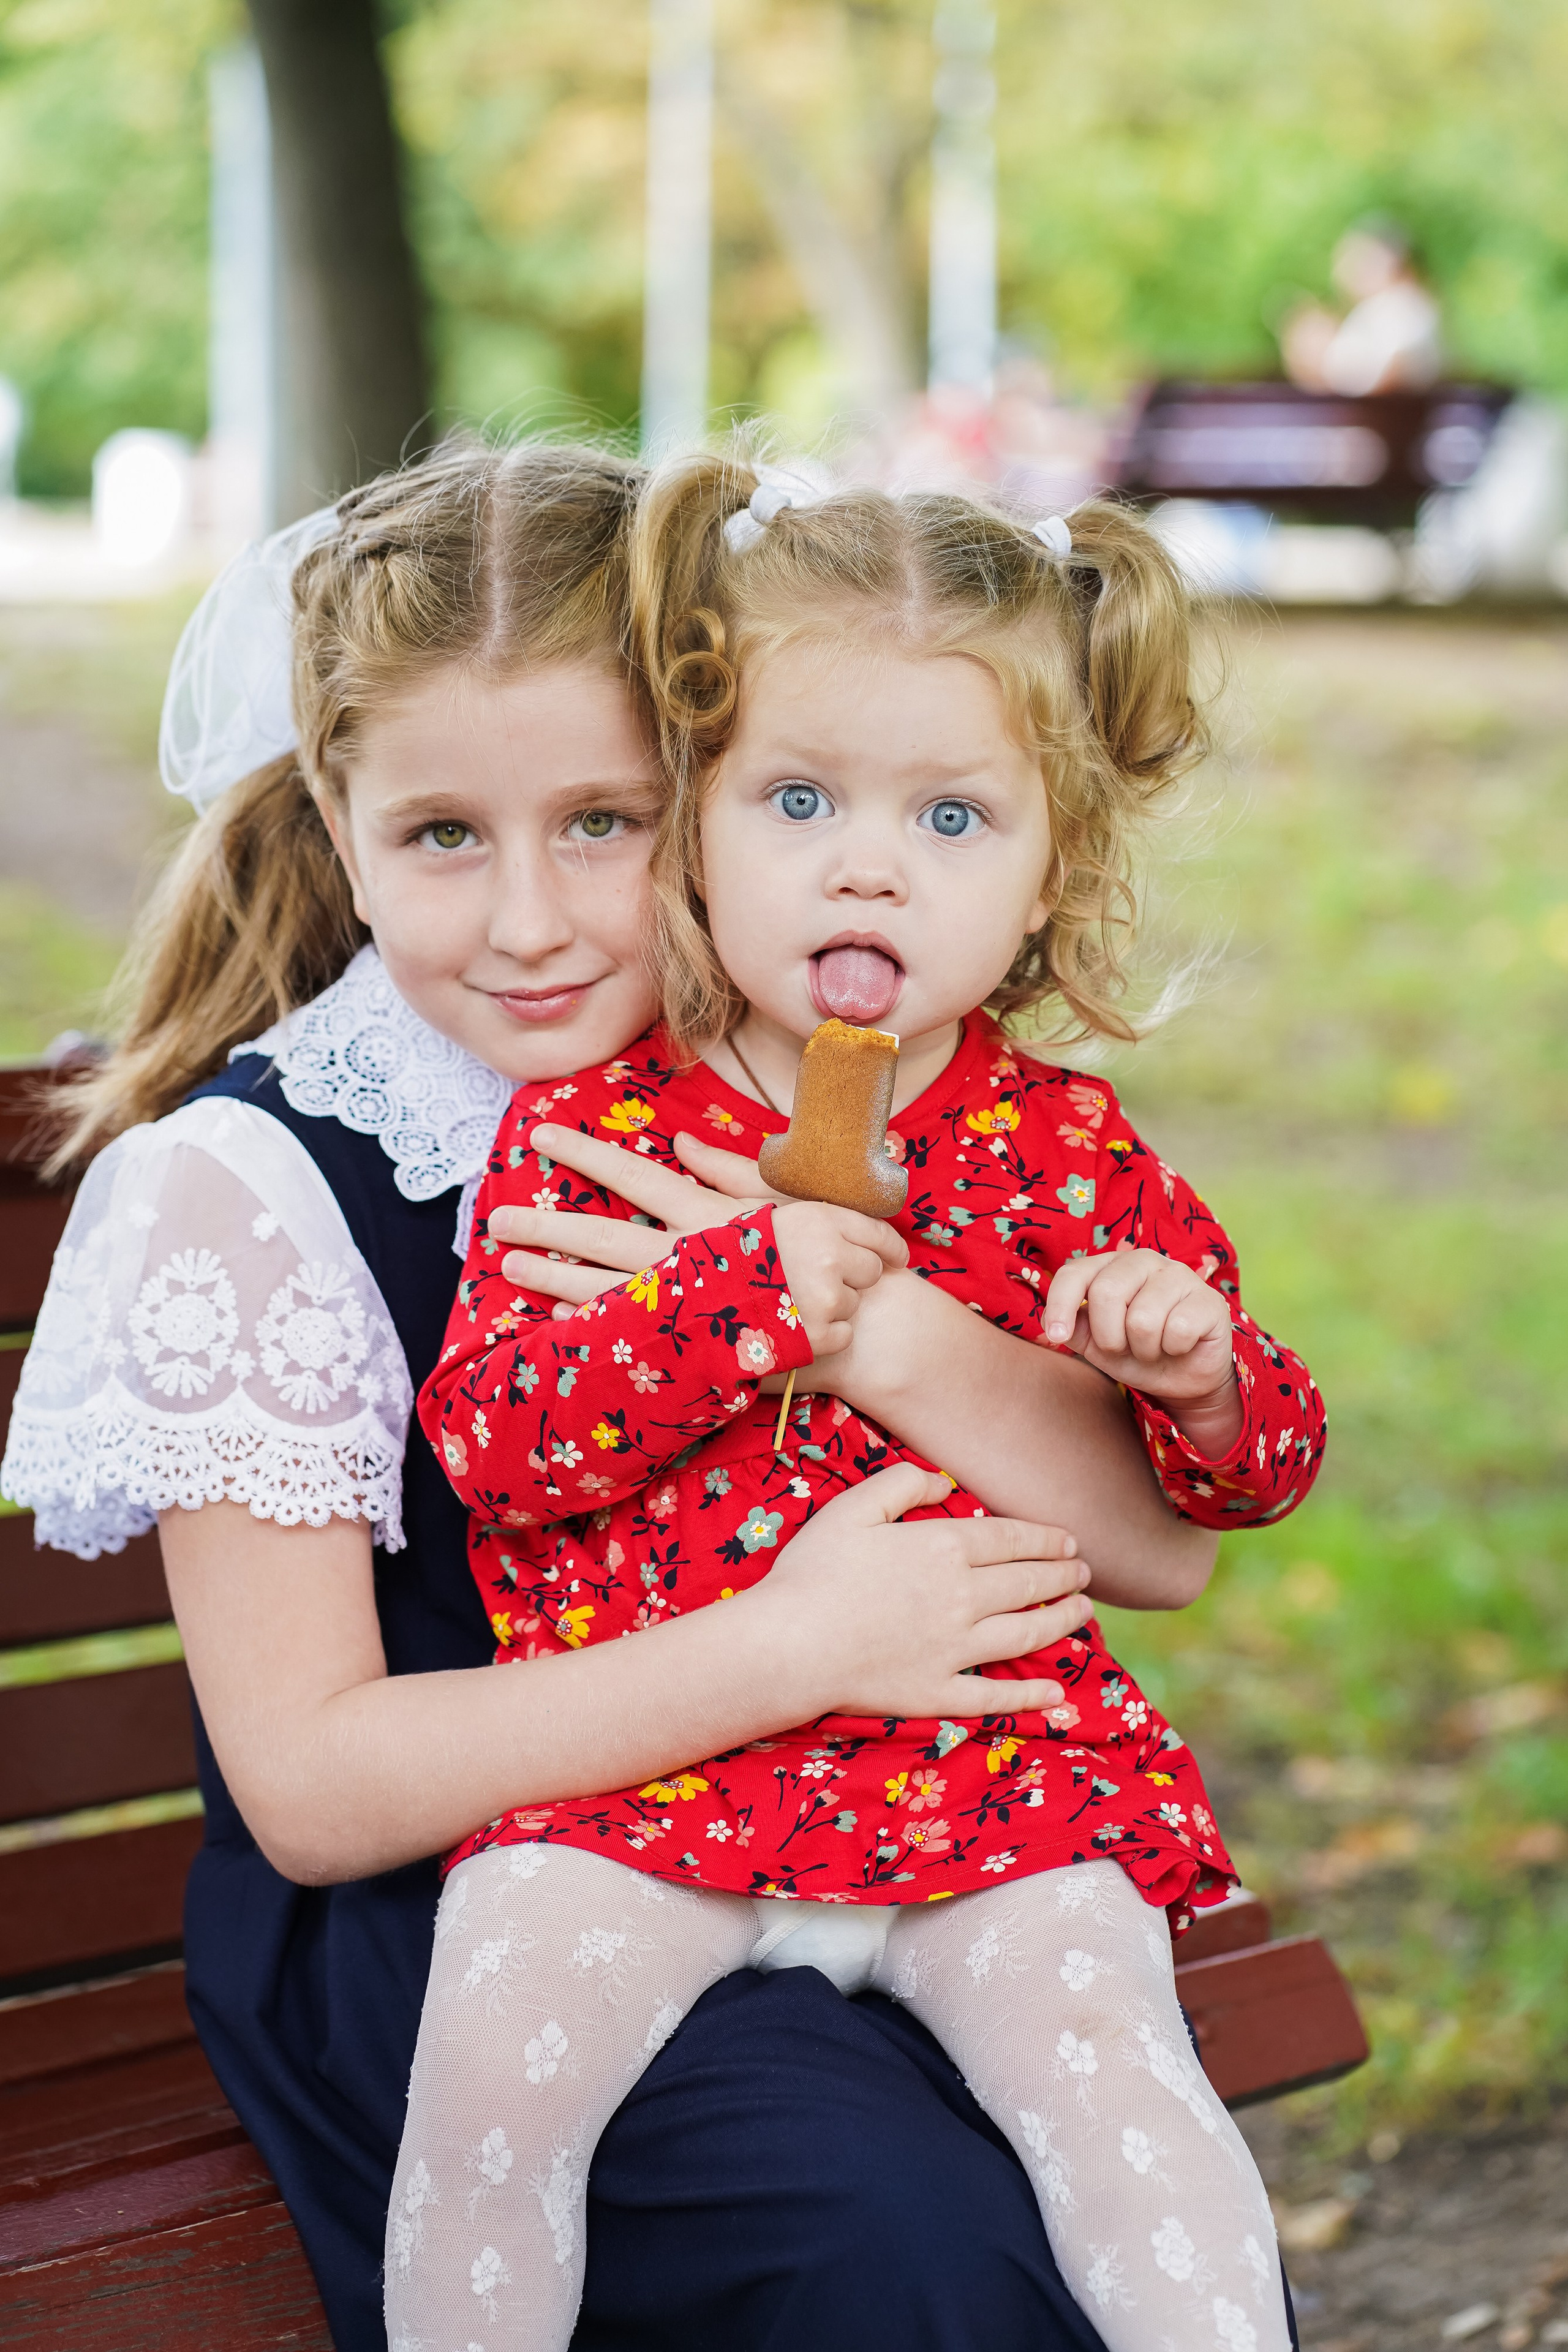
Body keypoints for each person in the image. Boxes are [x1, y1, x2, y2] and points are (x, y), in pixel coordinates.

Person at [2, 439, 1227, 2352]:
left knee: (1104, 2181)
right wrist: (799, 1641)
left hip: (866, 1812)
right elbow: (315, 1790)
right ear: (335, 812)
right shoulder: (252, 1183)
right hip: (468, 1884)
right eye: (440, 837)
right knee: (896, 2240)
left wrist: (873, 1328)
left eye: (609, 819)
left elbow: (1159, 1544)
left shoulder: (801, 1077)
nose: (531, 923)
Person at [403, 464, 1327, 2350]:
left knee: (1118, 2084)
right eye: (799, 799)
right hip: (639, 1795)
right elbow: (495, 1444)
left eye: (952, 814)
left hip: (992, 1774)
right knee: (490, 2087)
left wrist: (1201, 1372)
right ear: (695, 832)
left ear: (1046, 866)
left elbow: (1239, 1489)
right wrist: (734, 1299)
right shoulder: (594, 1133)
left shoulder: (1063, 1153)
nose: (866, 862)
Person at [1280, 218, 1443, 397]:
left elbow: (1394, 373)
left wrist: (1321, 361)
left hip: (1380, 417)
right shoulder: (1379, 308)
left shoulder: (1405, 306)